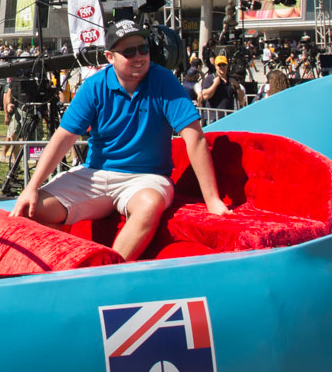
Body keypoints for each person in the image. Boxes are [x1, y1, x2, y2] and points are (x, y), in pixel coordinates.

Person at [15, 22, 225, 262]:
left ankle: (108, 273)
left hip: (146, 178)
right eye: (129, 52)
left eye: (143, 49)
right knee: (30, 209)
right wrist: (31, 187)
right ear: (109, 57)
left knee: (149, 204)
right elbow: (63, 138)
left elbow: (195, 137)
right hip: (97, 173)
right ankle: (65, 268)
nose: (139, 57)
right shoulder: (95, 86)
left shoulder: (164, 80)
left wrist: (212, 200)